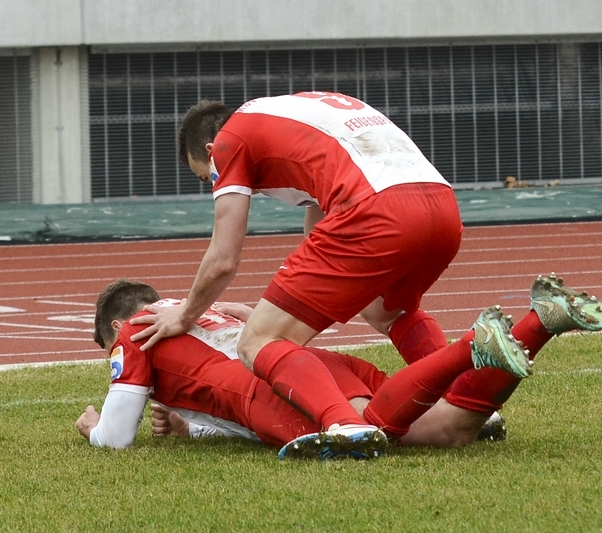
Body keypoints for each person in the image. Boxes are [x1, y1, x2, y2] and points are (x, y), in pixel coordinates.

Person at [127, 91, 474, 451]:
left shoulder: (229, 142)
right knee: (385, 311)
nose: (213, 182)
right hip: (442, 209)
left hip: (377, 212)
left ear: (212, 150)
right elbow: (318, 229)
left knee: (258, 340)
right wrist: (283, 306)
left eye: (206, 177)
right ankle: (464, 400)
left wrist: (185, 315)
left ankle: (344, 425)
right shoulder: (286, 115)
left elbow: (223, 259)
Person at [77, 274, 602, 458]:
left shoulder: (132, 333)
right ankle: (538, 323)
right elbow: (219, 374)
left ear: (114, 329)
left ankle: (471, 348)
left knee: (377, 430)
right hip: (309, 364)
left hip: (277, 390)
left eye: (106, 351)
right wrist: (189, 428)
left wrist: (93, 428)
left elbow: (117, 437)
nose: (111, 359)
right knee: (452, 430)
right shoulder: (196, 311)